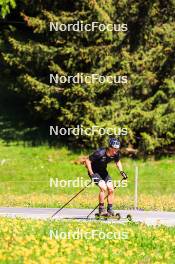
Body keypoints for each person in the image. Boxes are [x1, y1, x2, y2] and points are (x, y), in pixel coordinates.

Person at [85, 138, 127, 216]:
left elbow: (117, 161)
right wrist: (91, 174)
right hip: (94, 172)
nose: (116, 151)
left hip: (103, 172)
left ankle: (110, 209)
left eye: (117, 149)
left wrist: (121, 171)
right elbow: (87, 161)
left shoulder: (115, 154)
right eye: (114, 149)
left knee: (111, 189)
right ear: (110, 147)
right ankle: (101, 209)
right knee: (103, 188)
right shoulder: (100, 153)